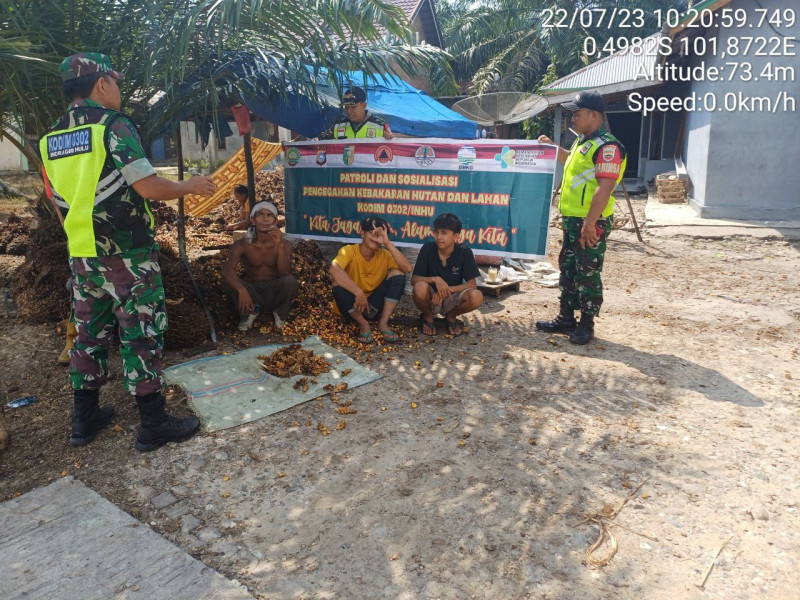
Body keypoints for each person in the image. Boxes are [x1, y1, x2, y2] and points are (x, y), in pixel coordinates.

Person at [39, 53, 216, 451]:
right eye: (115, 82)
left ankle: (84, 420)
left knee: (89, 334)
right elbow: (148, 186)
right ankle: (152, 423)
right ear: (101, 84)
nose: (118, 89)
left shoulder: (51, 136)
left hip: (82, 251)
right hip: (127, 255)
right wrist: (191, 186)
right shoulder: (112, 126)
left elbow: (56, 198)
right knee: (140, 333)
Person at [535, 90, 627, 345]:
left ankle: (587, 324)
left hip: (590, 220)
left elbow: (604, 186)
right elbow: (571, 162)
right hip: (573, 219)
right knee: (568, 268)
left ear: (594, 115)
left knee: (587, 272)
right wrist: (554, 148)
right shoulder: (582, 142)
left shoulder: (608, 147)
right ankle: (566, 318)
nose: (572, 119)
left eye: (577, 114)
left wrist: (590, 223)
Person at [329, 217, 411, 343]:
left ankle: (383, 323)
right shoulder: (349, 251)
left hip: (372, 308)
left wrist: (388, 243)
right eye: (372, 233)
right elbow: (333, 269)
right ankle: (363, 324)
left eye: (379, 234)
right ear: (362, 233)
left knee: (398, 274)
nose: (375, 236)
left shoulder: (384, 254)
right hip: (351, 308)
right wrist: (358, 293)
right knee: (336, 282)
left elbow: (407, 268)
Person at [222, 200, 298, 331]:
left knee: (290, 281)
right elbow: (227, 269)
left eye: (269, 215)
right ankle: (248, 313)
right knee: (228, 281)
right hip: (253, 292)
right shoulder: (242, 244)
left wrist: (279, 245)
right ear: (253, 220)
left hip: (275, 292)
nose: (265, 218)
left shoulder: (286, 244)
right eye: (260, 214)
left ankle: (280, 312)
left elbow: (285, 273)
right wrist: (241, 290)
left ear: (275, 221)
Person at [411, 213, 483, 337]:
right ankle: (428, 316)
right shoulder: (427, 249)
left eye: (444, 233)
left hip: (452, 298)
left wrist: (445, 290)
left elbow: (472, 284)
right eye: (436, 232)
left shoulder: (464, 252)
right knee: (419, 287)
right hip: (431, 298)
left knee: (477, 296)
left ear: (456, 236)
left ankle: (451, 316)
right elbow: (414, 279)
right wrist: (435, 279)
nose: (439, 237)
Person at [321, 87, 393, 140]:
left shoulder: (380, 126)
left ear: (364, 105)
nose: (348, 111)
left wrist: (389, 138)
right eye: (346, 107)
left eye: (353, 107)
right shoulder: (338, 126)